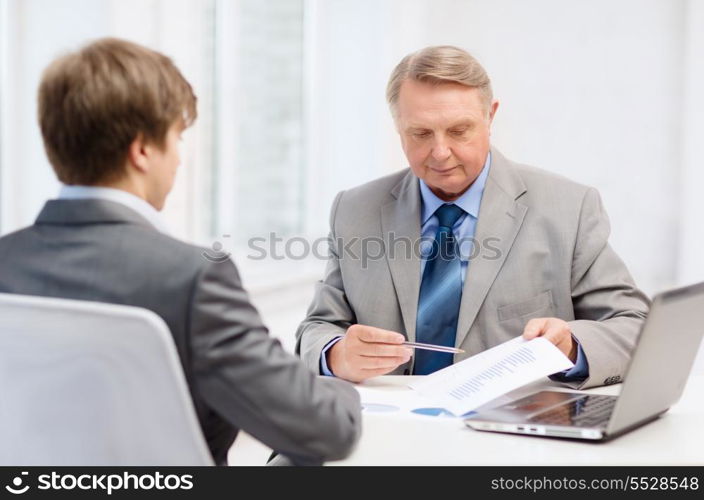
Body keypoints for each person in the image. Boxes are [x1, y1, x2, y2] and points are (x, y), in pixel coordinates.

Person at [0, 38, 361, 466]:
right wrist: (343, 388)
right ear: (142, 151)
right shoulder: (192, 279)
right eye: (176, 137)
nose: (178, 160)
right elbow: (325, 431)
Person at [296, 45, 650, 389]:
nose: (440, 152)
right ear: (398, 127)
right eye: (420, 133)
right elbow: (317, 327)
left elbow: (635, 327)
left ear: (490, 116)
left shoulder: (568, 207)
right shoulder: (355, 209)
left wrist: (571, 345)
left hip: (511, 434)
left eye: (459, 130)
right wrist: (337, 354)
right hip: (387, 429)